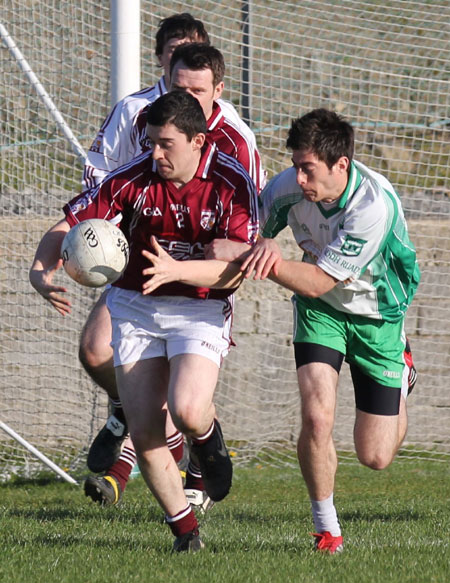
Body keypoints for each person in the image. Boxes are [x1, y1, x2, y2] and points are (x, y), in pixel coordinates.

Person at [145, 108, 420, 554]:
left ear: (341, 166)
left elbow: (317, 278)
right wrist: (256, 244)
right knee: (316, 416)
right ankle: (326, 528)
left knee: (375, 456)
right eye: (295, 165)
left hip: (378, 317)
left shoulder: (374, 205)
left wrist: (266, 258)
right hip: (319, 313)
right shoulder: (287, 187)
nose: (299, 178)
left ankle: (401, 371)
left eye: (308, 169)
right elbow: (248, 238)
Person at [30, 91, 259, 552]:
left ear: (198, 140)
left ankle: (208, 444)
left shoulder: (232, 182)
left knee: (189, 409)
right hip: (136, 306)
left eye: (166, 143)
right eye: (151, 141)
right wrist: (41, 269)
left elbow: (235, 272)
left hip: (199, 305)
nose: (155, 154)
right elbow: (74, 225)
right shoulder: (131, 179)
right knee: (147, 429)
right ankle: (185, 533)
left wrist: (177, 270)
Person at [80, 19, 264, 510]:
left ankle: (195, 454)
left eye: (199, 90)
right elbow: (100, 188)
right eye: (179, 83)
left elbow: (245, 241)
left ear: (216, 88)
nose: (189, 96)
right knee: (95, 351)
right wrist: (76, 247)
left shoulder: (236, 144)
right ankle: (136, 420)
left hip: (200, 286)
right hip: (139, 270)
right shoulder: (137, 114)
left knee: (188, 401)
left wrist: (211, 266)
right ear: (164, 64)